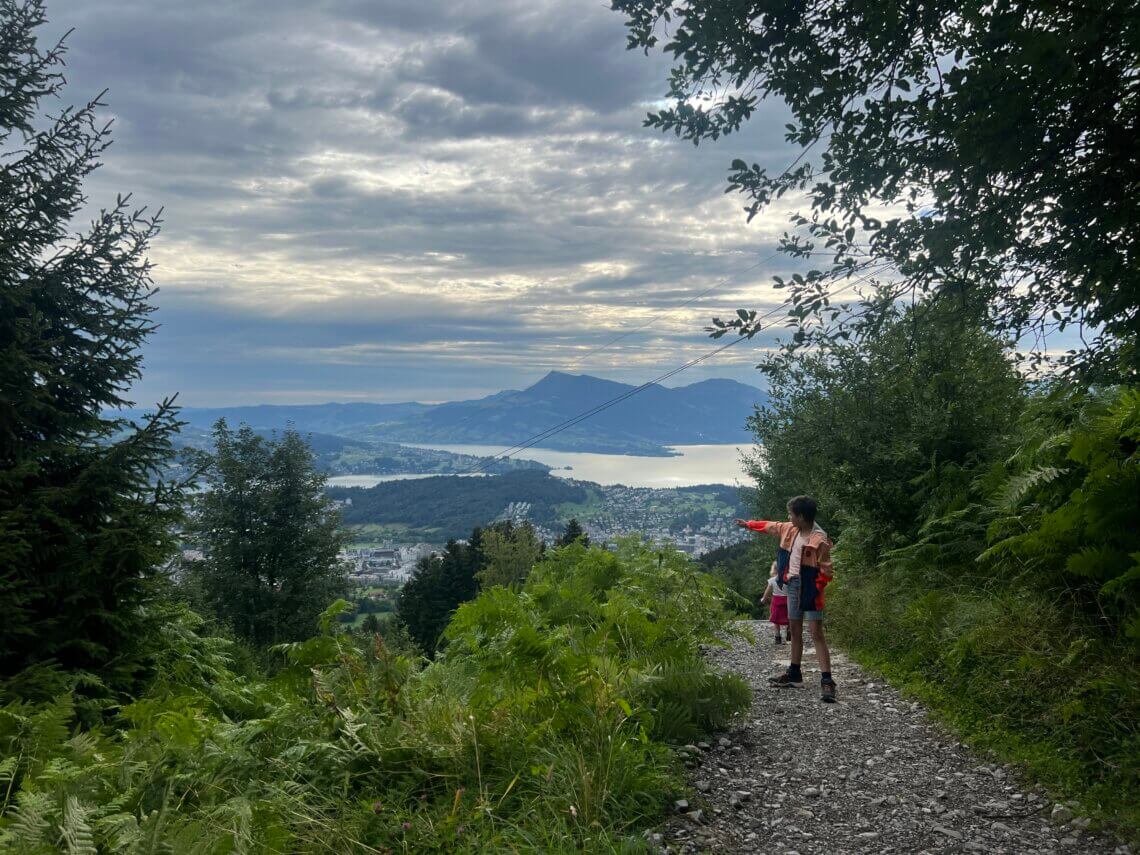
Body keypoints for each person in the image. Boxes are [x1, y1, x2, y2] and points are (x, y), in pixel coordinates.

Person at [735, 496, 837, 703]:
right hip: (792, 585)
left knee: (816, 631)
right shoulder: (791, 529)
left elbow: (827, 570)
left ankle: (827, 680)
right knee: (794, 628)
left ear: (801, 516)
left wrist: (817, 587)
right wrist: (749, 525)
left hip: (811, 586)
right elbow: (771, 526)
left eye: (791, 514)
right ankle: (794, 672)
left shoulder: (820, 539)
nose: (788, 517)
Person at [759, 561, 789, 644]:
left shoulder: (772, 580)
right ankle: (786, 634)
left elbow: (767, 591)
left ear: (774, 569)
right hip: (787, 601)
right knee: (788, 618)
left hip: (776, 602)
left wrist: (764, 599)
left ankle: (777, 637)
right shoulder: (788, 579)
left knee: (776, 620)